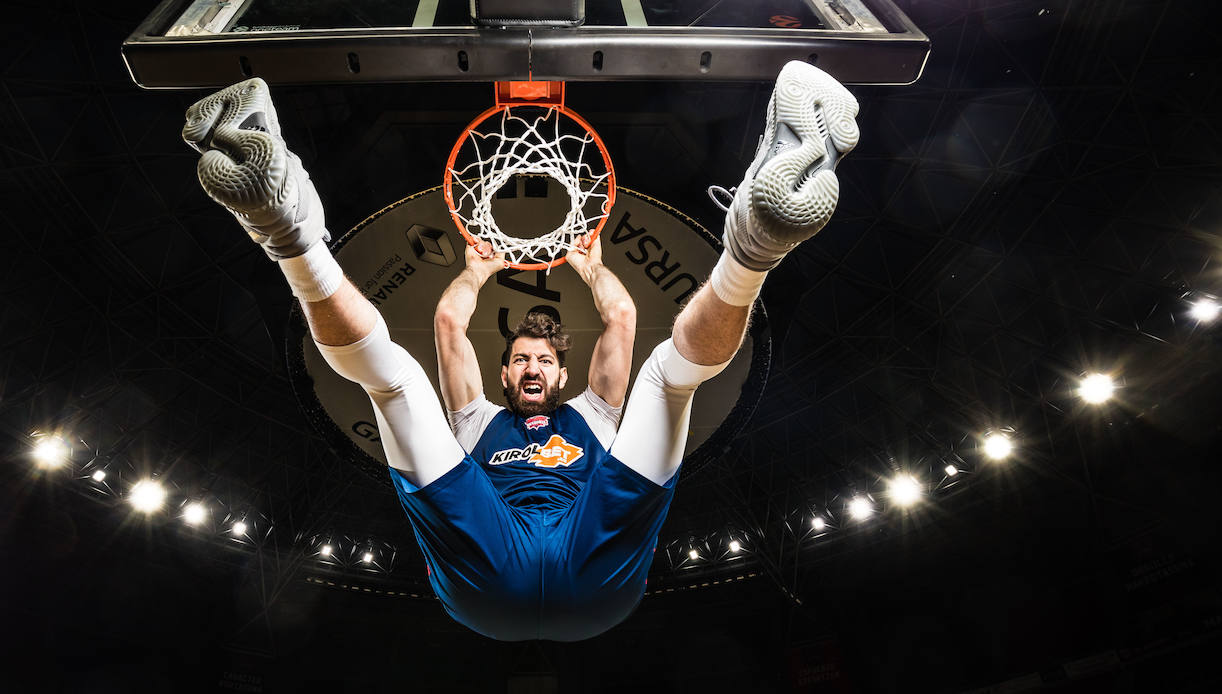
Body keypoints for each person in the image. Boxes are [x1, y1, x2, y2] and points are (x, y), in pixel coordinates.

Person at [181, 61, 859, 641]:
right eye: (521, 359)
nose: (532, 366)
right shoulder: (476, 420)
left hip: (564, 561)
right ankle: (753, 249)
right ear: (502, 371)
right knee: (416, 382)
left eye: (542, 360)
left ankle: (289, 234)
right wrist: (477, 268)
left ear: (563, 373)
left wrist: (591, 267)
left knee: (405, 388)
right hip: (529, 567)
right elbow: (450, 326)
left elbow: (621, 318)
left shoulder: (594, 414)